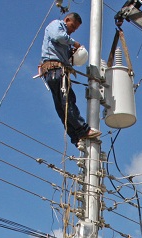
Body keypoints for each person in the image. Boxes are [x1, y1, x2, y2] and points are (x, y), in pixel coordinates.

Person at [39, 12, 100, 145]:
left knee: (62, 106)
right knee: (67, 102)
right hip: (55, 70)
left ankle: (75, 136)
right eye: (72, 26)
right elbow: (58, 36)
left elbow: (63, 50)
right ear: (67, 20)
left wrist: (71, 53)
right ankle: (83, 130)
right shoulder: (56, 25)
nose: (72, 31)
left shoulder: (63, 42)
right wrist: (75, 43)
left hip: (53, 72)